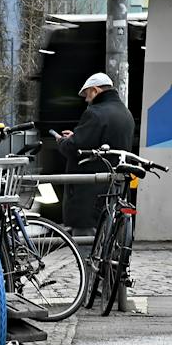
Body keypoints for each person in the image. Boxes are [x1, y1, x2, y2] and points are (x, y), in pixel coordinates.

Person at [57, 72, 136, 232]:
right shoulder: (125, 113)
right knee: (107, 236)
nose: (86, 100)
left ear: (95, 90)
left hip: (89, 192)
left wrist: (63, 141)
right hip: (112, 187)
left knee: (86, 240)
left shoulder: (95, 113)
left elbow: (74, 148)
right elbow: (99, 139)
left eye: (87, 94)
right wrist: (77, 136)